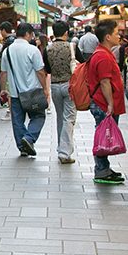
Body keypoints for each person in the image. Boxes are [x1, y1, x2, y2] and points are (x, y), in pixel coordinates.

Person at [87, 21, 126, 186]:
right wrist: (110, 104)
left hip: (104, 103)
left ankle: (104, 168)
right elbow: (104, 82)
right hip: (103, 103)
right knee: (104, 135)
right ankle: (101, 170)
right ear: (108, 37)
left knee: (105, 134)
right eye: (117, 33)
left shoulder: (103, 53)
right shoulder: (102, 56)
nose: (120, 36)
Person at [4, 22, 50, 157]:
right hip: (33, 92)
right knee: (38, 116)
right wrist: (45, 89)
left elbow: (3, 72)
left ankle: (22, 147)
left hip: (15, 93)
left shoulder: (7, 50)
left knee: (17, 121)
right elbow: (40, 72)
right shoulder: (32, 50)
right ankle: (29, 138)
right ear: (28, 34)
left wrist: (3, 89)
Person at [45, 21, 76, 164]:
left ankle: (61, 148)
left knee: (60, 118)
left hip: (55, 86)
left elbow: (48, 69)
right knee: (69, 118)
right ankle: (64, 153)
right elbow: (82, 63)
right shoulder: (71, 47)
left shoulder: (48, 48)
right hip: (69, 85)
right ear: (66, 33)